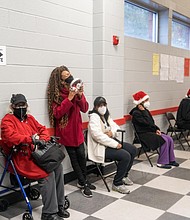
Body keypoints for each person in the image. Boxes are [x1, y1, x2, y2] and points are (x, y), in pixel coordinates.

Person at [0, 94, 70, 220]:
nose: (21, 107)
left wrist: (41, 139)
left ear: (27, 106)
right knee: (47, 174)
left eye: (23, 105)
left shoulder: (30, 119)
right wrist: (31, 139)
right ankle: (49, 213)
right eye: (18, 105)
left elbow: (43, 130)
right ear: (12, 107)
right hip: (20, 159)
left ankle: (59, 205)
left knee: (57, 167)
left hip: (35, 155)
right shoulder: (7, 120)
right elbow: (10, 137)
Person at [47, 65, 96, 198]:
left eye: (70, 75)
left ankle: (84, 181)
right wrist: (69, 98)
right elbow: (57, 114)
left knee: (82, 155)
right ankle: (83, 183)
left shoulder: (75, 91)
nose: (70, 79)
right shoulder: (57, 95)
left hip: (77, 130)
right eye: (66, 77)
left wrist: (80, 95)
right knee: (74, 158)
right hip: (66, 132)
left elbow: (85, 108)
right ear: (60, 81)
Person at [88, 96, 137, 194]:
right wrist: (115, 144)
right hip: (101, 147)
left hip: (110, 142)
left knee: (132, 149)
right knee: (125, 155)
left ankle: (124, 176)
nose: (103, 107)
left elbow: (115, 126)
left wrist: (112, 133)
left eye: (104, 105)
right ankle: (117, 183)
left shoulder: (106, 116)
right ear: (95, 107)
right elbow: (98, 136)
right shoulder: (94, 117)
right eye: (100, 105)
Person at [129, 91, 179, 169]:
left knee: (169, 139)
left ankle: (170, 159)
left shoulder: (145, 111)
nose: (147, 102)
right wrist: (143, 112)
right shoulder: (136, 113)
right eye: (146, 100)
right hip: (143, 134)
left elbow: (152, 123)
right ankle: (161, 162)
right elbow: (147, 123)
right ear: (140, 102)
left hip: (150, 131)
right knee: (164, 141)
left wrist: (156, 129)